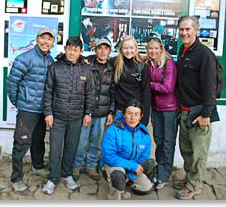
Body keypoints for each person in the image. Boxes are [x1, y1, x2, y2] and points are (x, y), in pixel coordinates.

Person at [42, 36, 95, 195]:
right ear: (65, 49)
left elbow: (90, 94)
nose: (72, 53)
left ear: (81, 51)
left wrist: (88, 113)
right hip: (57, 116)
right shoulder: (55, 67)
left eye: (75, 50)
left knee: (71, 148)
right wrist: (48, 113)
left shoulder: (86, 69)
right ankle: (52, 178)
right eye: (69, 49)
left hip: (76, 117)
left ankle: (67, 175)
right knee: (55, 149)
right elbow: (48, 91)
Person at [6, 27, 55, 195]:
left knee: (38, 141)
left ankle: (37, 166)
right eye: (43, 38)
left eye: (49, 39)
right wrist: (20, 102)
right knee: (21, 143)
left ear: (53, 42)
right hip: (27, 110)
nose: (45, 42)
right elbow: (12, 83)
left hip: (43, 110)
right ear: (37, 38)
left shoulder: (51, 61)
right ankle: (16, 178)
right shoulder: (24, 58)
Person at [175, 15, 219, 200]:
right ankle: (189, 178)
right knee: (186, 149)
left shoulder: (204, 54)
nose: (184, 33)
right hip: (184, 110)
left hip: (199, 112)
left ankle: (194, 185)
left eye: (188, 29)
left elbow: (211, 87)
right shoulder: (183, 50)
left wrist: (206, 114)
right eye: (181, 29)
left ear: (196, 30)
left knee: (199, 152)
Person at [73, 38, 115, 181]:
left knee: (96, 142)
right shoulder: (86, 64)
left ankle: (91, 166)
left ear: (110, 51)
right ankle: (77, 166)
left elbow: (113, 92)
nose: (103, 51)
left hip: (102, 113)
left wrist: (111, 112)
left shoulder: (112, 69)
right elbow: (68, 58)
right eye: (100, 48)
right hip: (85, 112)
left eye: (106, 48)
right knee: (80, 141)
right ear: (95, 50)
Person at [99, 99, 156, 200]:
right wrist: (133, 167)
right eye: (129, 113)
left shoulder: (144, 133)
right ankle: (115, 190)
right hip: (115, 165)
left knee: (146, 188)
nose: (132, 117)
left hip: (131, 168)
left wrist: (131, 174)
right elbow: (109, 156)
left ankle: (126, 180)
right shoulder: (113, 130)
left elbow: (144, 156)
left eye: (136, 114)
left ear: (141, 116)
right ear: (124, 114)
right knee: (118, 175)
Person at [146, 36, 178, 190]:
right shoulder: (149, 63)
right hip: (156, 108)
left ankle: (164, 176)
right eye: (150, 48)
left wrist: (148, 83)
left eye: (156, 48)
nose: (153, 51)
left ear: (161, 49)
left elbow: (167, 88)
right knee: (159, 140)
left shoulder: (169, 64)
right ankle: (160, 170)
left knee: (167, 143)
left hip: (169, 108)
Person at [112, 35, 151, 125]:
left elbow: (146, 93)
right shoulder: (115, 63)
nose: (129, 51)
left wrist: (144, 117)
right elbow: (100, 59)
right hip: (120, 109)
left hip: (135, 110)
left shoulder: (142, 66)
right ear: (121, 49)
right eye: (125, 48)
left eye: (131, 48)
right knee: (120, 138)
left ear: (136, 48)